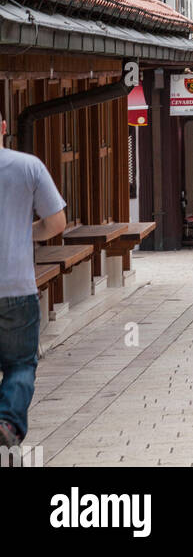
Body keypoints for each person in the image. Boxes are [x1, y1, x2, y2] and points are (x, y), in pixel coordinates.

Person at [0, 112, 67, 449]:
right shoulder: (28, 166)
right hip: (16, 286)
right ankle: (8, 421)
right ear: (3, 128)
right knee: (21, 362)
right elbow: (56, 223)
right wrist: (26, 233)